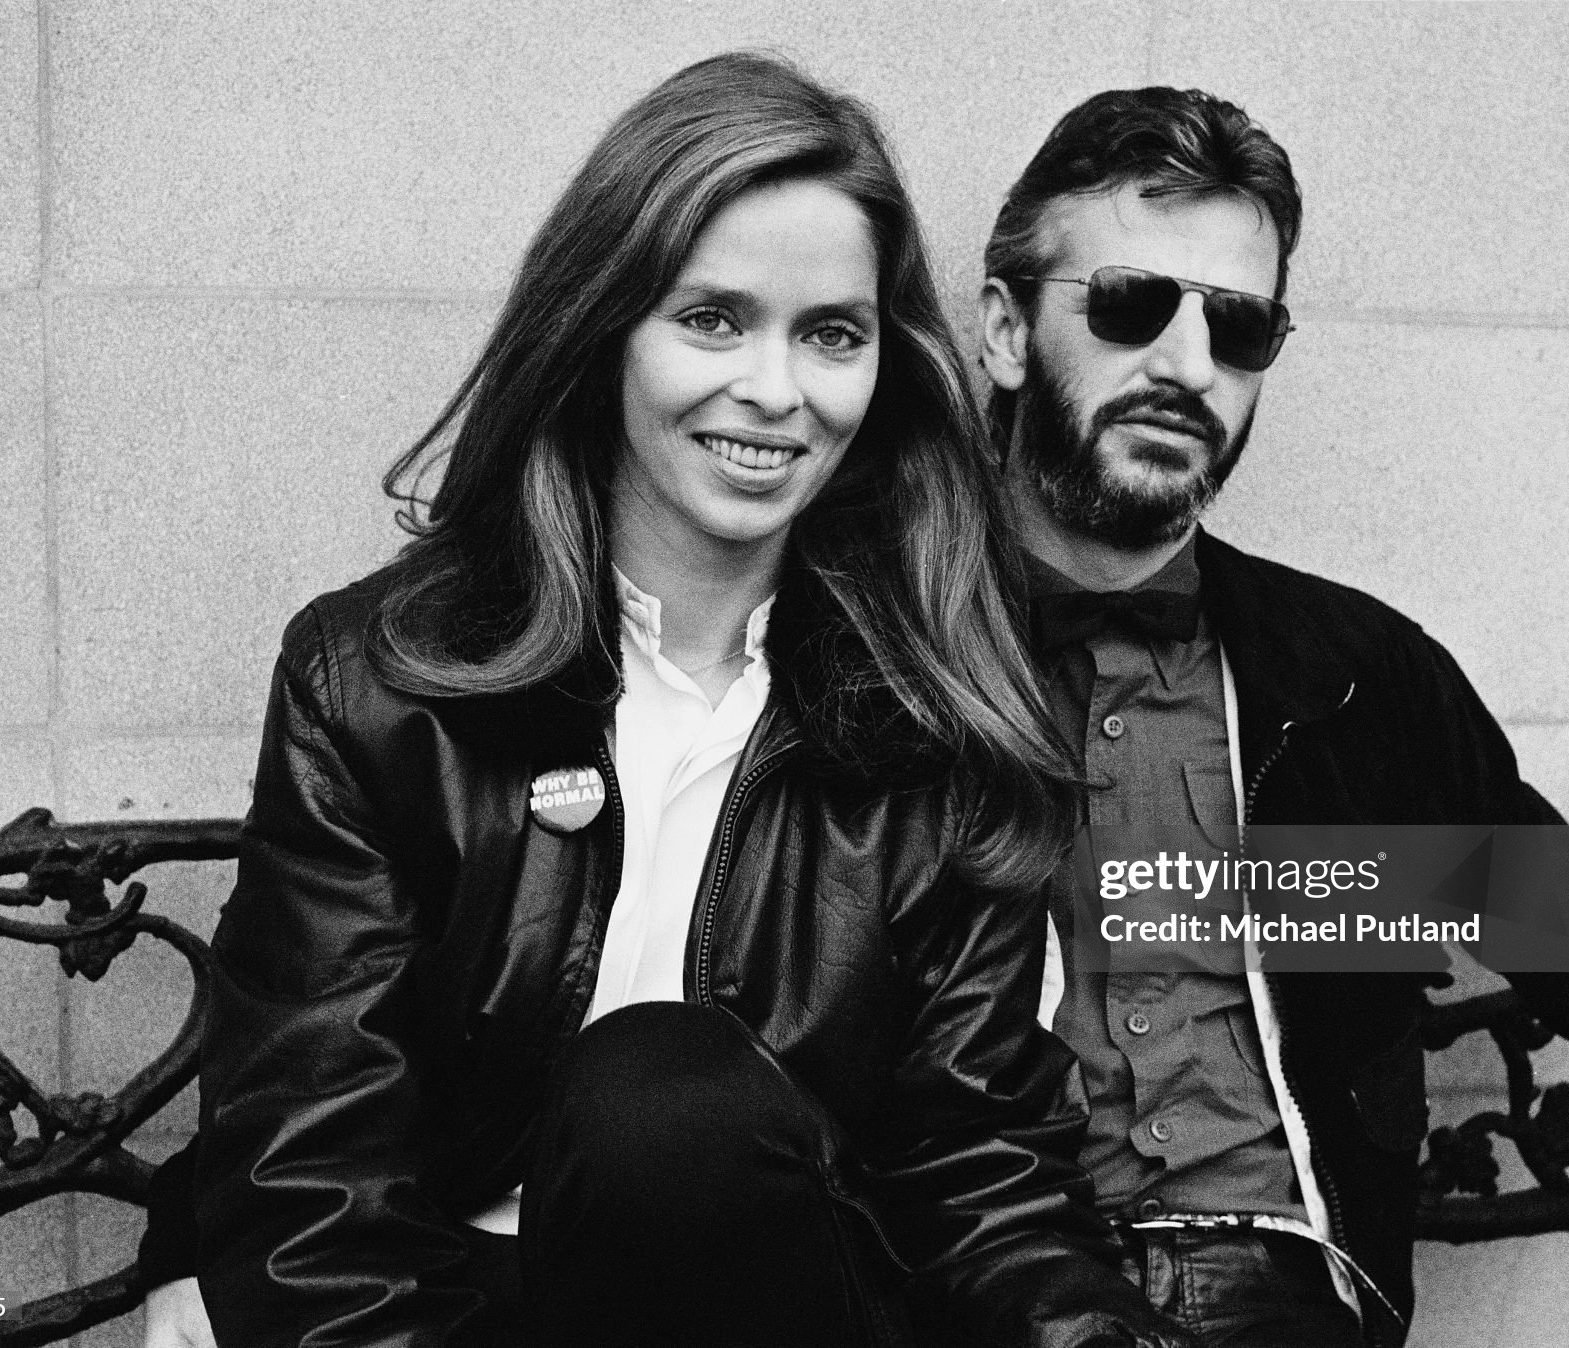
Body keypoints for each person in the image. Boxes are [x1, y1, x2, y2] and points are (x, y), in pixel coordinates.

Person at [140, 53, 1193, 1348]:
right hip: (454, 1315)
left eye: (831, 334)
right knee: (654, 1091)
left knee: (669, 1101)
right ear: (607, 327)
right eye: (712, 319)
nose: (775, 389)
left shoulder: (935, 717)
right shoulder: (380, 685)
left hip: (788, 1309)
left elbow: (976, 1167)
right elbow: (308, 1171)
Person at [976, 84, 1569, 1347]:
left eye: (1237, 328)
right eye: (1131, 304)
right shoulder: (875, 656)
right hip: (976, 1274)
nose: (1187, 364)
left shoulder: (1349, 683)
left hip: (1278, 1288)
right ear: (1003, 331)